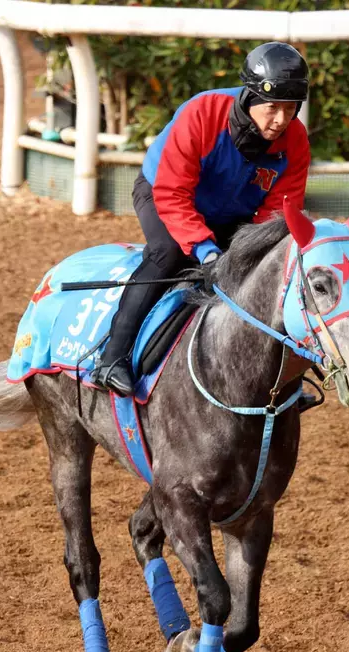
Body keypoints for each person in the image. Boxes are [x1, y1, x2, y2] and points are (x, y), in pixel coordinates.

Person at [92, 41, 311, 397]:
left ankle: (281, 382)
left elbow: (278, 214)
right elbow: (173, 192)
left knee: (261, 275)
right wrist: (206, 251)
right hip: (164, 192)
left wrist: (248, 255)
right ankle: (111, 358)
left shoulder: (295, 141)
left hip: (234, 215)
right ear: (250, 97)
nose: (281, 120)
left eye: (290, 109)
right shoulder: (202, 113)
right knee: (167, 254)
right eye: (272, 108)